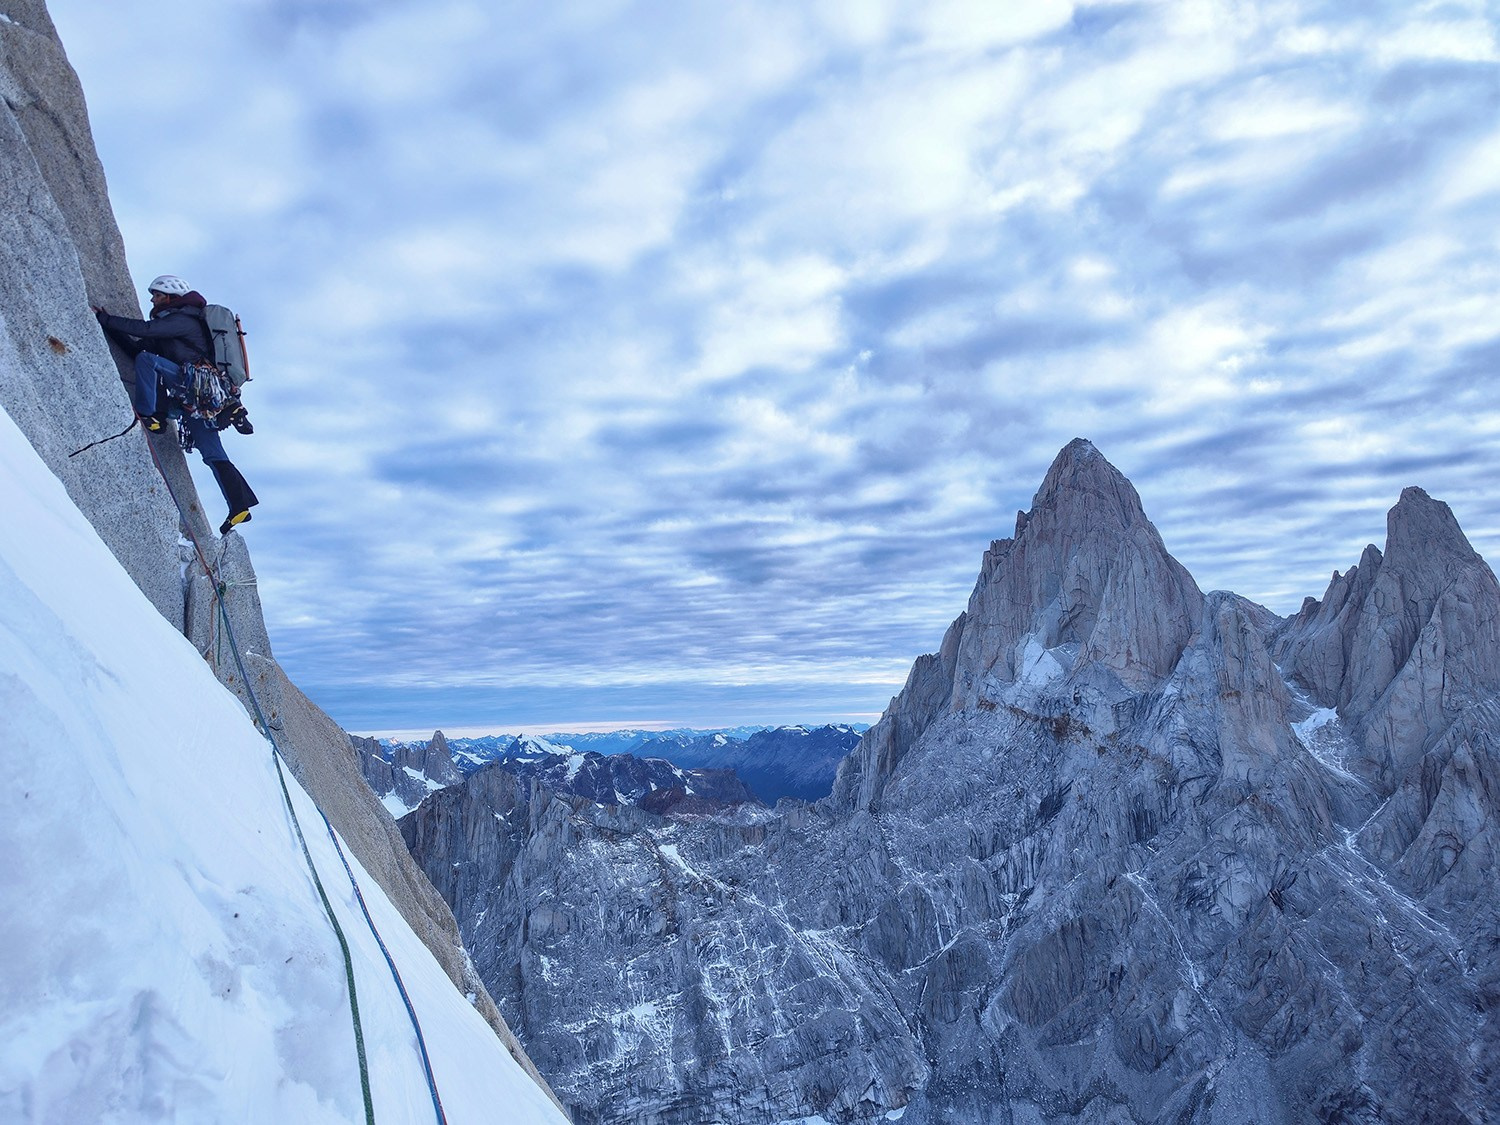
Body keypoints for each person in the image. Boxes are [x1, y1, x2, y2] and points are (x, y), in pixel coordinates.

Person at [95, 275, 259, 535]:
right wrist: (109, 327)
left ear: (170, 296)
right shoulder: (168, 325)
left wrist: (106, 319)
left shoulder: (182, 320)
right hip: (195, 400)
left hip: (195, 385)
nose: (152, 299)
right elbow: (138, 350)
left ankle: (153, 416)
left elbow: (145, 338)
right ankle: (240, 506)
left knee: (150, 362)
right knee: (214, 455)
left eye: (157, 295)